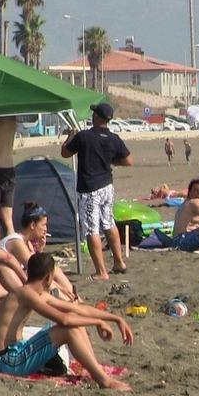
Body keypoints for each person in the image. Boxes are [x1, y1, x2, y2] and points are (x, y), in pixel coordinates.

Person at [0, 253, 133, 391]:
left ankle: (95, 370)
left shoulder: (36, 294)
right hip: (7, 362)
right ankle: (104, 380)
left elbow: (77, 310)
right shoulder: (25, 294)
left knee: (74, 322)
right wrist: (98, 322)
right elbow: (64, 320)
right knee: (68, 329)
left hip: (14, 355)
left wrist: (115, 318)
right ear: (48, 277)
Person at [61, 103, 132, 281]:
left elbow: (65, 153)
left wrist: (70, 136)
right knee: (109, 223)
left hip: (90, 188)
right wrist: (113, 162)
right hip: (107, 185)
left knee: (92, 229)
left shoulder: (85, 137)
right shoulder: (113, 138)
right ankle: (119, 261)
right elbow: (129, 160)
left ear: (97, 117)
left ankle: (101, 271)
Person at [0, 203, 78, 302]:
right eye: (43, 225)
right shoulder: (16, 242)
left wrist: (40, 248)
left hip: (17, 278)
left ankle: (76, 299)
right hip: (4, 280)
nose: (46, 229)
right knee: (44, 278)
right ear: (32, 225)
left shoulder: (28, 243)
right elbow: (38, 271)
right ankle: (71, 302)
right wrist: (60, 288)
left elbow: (40, 267)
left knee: (54, 270)